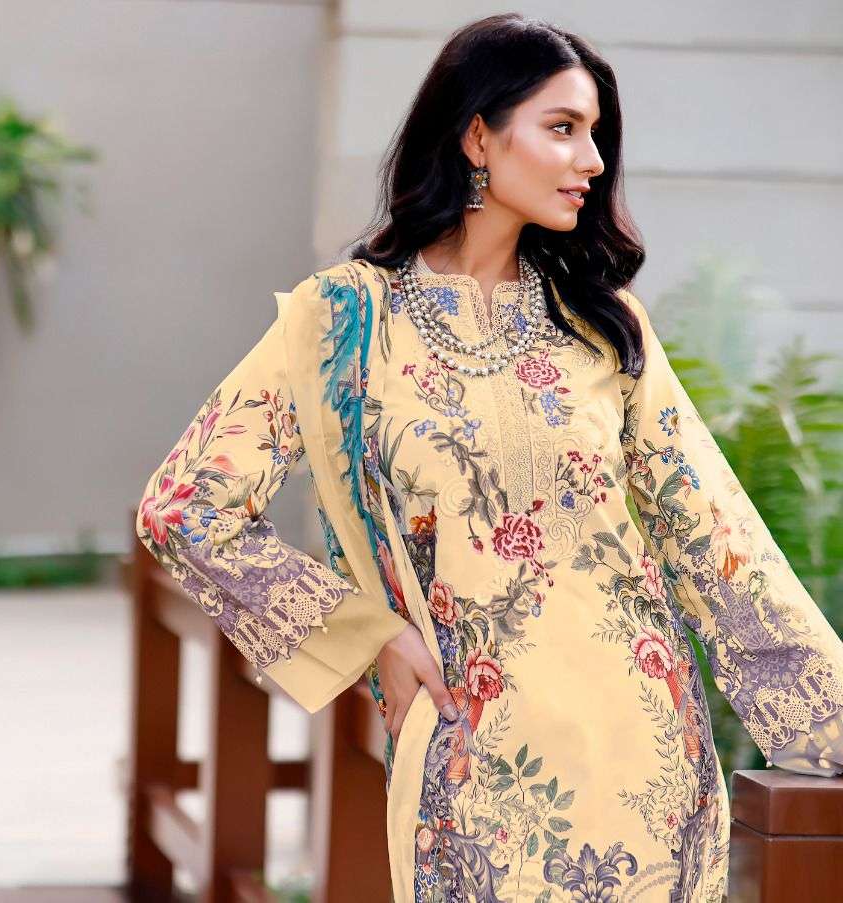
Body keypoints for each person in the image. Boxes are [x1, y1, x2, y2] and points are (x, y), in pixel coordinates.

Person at [134, 12, 843, 903]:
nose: (592, 160)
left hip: (647, 763)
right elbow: (183, 509)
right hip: (470, 775)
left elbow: (715, 535)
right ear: (478, 136)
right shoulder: (344, 324)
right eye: (562, 128)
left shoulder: (601, 323)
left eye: (596, 134)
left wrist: (828, 713)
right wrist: (366, 635)